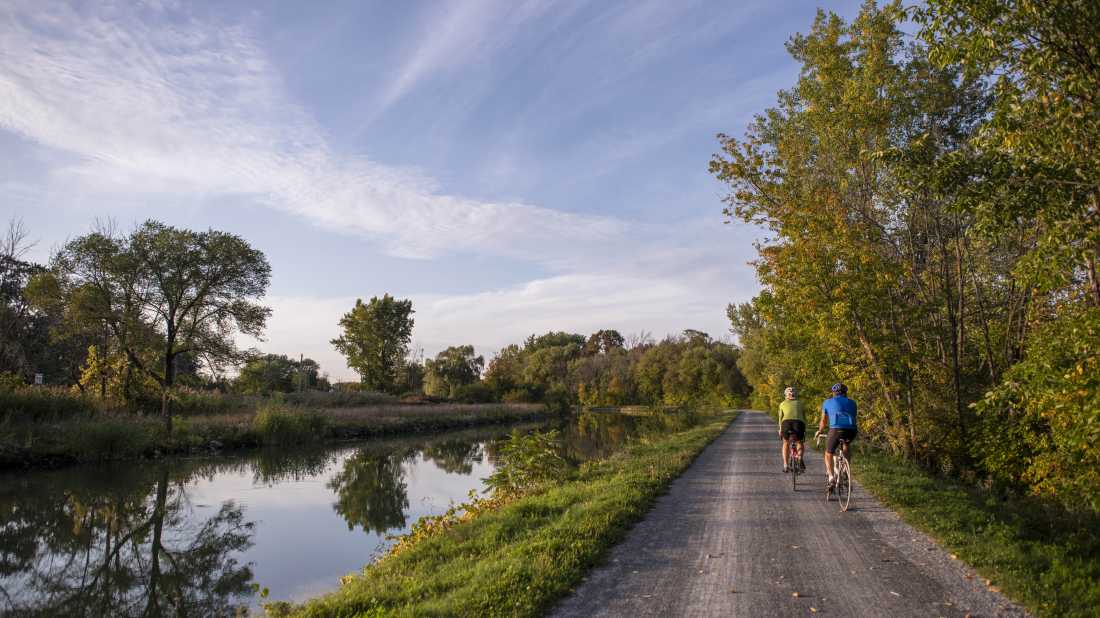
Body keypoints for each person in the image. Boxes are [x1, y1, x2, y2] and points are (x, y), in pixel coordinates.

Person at [816, 382, 857, 488]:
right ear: (845, 393)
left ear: (834, 393)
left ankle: (831, 478)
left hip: (836, 430)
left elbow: (823, 421)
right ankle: (845, 470)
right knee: (846, 445)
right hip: (851, 430)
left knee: (828, 453)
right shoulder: (853, 403)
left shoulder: (827, 402)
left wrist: (820, 431)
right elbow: (853, 416)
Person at [777, 386, 806, 473]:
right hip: (799, 423)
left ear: (786, 395)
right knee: (799, 442)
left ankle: (785, 465)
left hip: (786, 423)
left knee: (785, 442)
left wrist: (780, 429)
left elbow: (780, 418)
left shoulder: (782, 404)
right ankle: (800, 458)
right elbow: (804, 418)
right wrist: (805, 428)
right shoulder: (801, 403)